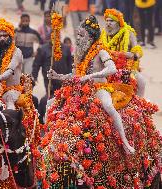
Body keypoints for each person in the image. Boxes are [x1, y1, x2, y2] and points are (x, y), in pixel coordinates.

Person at [48, 15, 135, 154]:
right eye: (77, 34)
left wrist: (90, 76)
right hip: (80, 90)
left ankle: (125, 142)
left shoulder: (101, 51)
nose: (78, 38)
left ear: (91, 37)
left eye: (81, 35)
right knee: (50, 104)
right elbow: (75, 77)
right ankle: (48, 140)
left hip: (99, 88)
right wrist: (57, 76)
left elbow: (112, 69)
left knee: (108, 106)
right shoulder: (79, 54)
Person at [101, 9, 145, 97]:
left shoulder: (128, 33)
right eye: (107, 21)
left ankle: (139, 103)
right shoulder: (103, 34)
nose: (108, 23)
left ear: (118, 23)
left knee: (141, 81)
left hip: (126, 67)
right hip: (106, 67)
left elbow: (138, 50)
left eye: (111, 21)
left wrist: (132, 55)